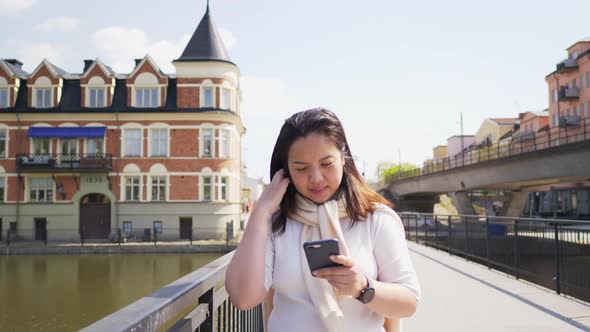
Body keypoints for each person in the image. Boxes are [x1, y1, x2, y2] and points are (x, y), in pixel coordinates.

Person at [225, 108, 420, 332]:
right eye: (301, 168)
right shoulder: (275, 223)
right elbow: (243, 298)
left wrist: (362, 287)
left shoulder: (375, 219)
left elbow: (409, 302)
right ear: (285, 171)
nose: (316, 178)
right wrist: (260, 213)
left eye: (327, 164)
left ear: (344, 159)